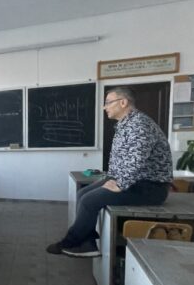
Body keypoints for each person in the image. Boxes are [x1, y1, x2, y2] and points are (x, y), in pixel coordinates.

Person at [47, 87, 173, 258]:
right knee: (83, 193)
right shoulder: (125, 124)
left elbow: (137, 160)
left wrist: (120, 184)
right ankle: (88, 243)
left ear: (123, 102)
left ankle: (72, 242)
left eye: (108, 102)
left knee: (89, 201)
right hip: (132, 181)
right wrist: (111, 178)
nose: (104, 107)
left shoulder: (139, 125)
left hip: (149, 187)